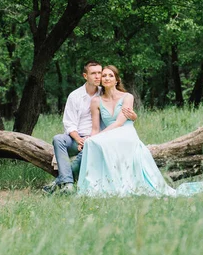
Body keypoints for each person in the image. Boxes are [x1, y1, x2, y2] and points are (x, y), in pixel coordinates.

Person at [77, 65, 203, 197]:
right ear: (101, 80)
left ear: (117, 80)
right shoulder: (96, 101)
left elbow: (120, 122)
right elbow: (95, 129)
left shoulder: (127, 97)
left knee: (98, 141)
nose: (107, 78)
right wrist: (89, 139)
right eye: (104, 76)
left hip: (125, 131)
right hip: (110, 133)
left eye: (111, 75)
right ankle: (94, 185)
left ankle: (115, 183)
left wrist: (98, 137)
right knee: (91, 143)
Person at [43, 61, 137, 194]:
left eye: (100, 73)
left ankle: (62, 182)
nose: (98, 76)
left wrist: (133, 117)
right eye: (94, 73)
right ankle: (68, 183)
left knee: (90, 145)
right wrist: (79, 139)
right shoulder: (75, 96)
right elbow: (69, 124)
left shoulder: (105, 91)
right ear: (85, 76)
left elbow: (118, 116)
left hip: (98, 137)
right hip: (76, 138)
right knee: (58, 139)